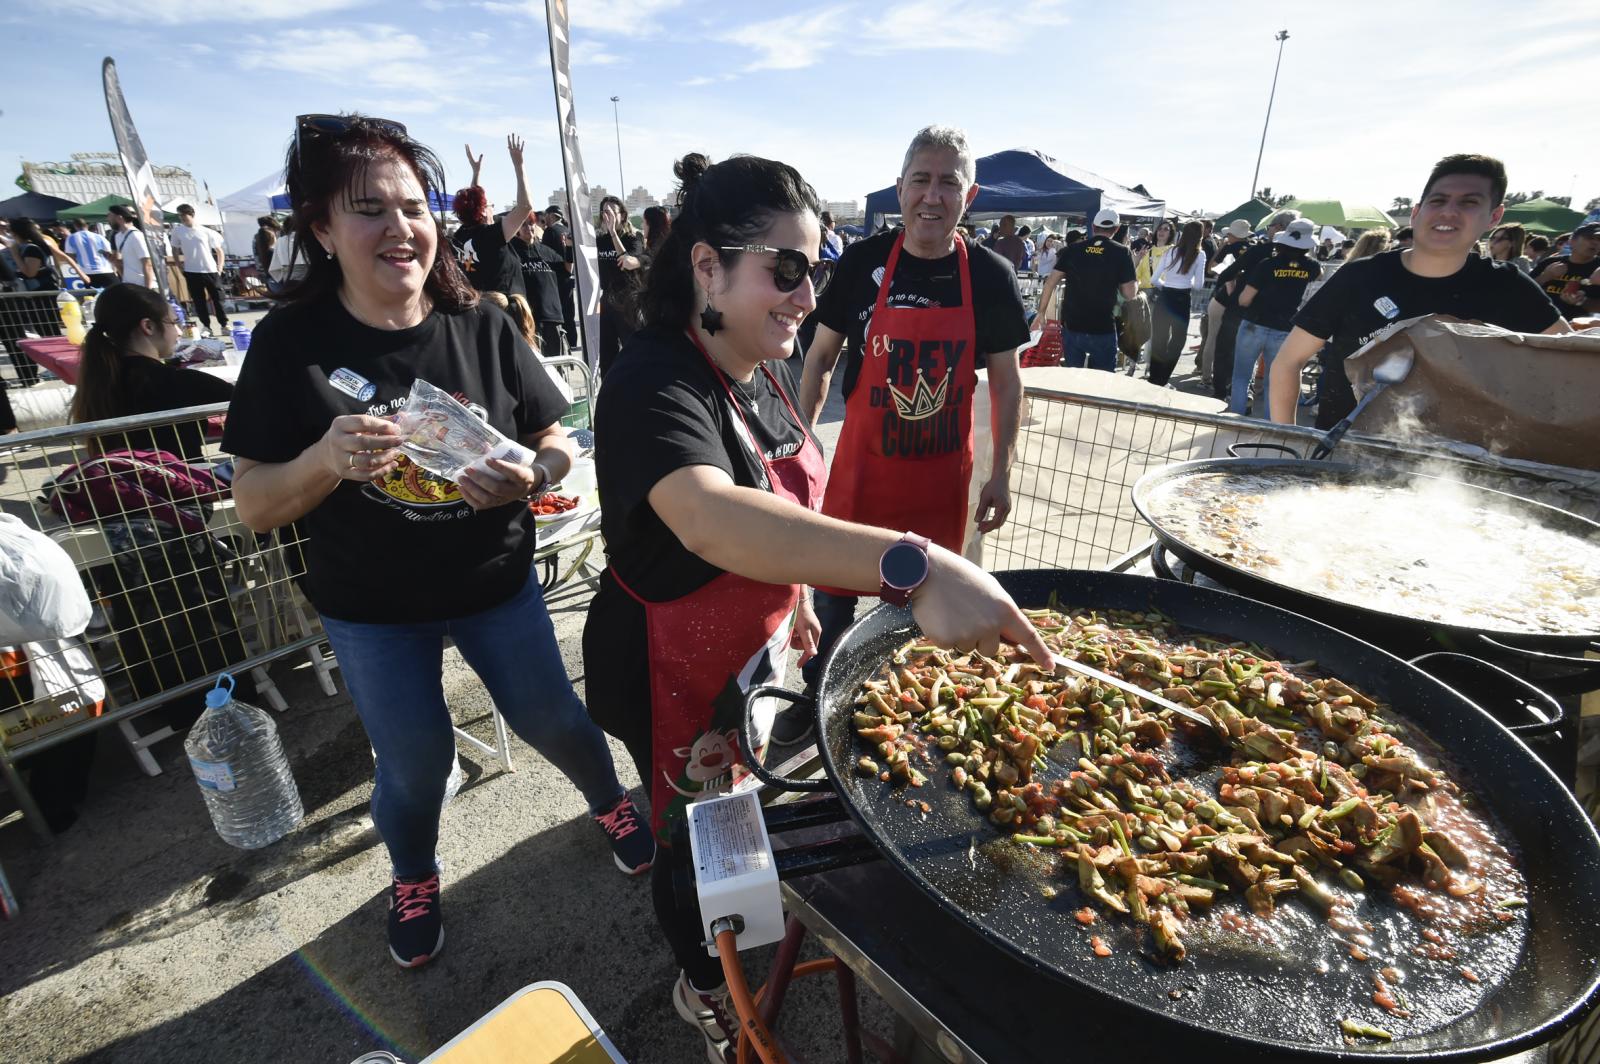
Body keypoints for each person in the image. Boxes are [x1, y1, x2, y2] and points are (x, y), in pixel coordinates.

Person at [581, 150, 1053, 1062]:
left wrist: (795, 595)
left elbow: (780, 503)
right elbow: (714, 516)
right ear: (707, 267)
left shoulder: (753, 361)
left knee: (735, 807)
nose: (808, 294)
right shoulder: (651, 382)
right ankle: (702, 983)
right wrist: (914, 567)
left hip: (747, 651)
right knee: (691, 838)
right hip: (665, 660)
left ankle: (731, 929)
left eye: (818, 266)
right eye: (786, 269)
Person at [222, 114, 652, 971]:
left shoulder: (482, 321)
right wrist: (323, 459)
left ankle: (610, 801)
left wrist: (533, 467)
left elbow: (560, 427)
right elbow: (254, 505)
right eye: (368, 209)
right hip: (370, 609)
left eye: (413, 207)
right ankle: (414, 874)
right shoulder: (290, 345)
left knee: (556, 720)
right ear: (320, 227)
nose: (399, 228)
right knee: (416, 765)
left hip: (493, 582)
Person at [798, 124, 1028, 699]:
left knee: (924, 616)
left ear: (969, 197)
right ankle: (819, 694)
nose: (932, 195)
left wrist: (1000, 474)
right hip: (861, 475)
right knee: (833, 602)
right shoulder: (861, 263)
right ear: (900, 188)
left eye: (948, 183)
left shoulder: (991, 277)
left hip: (939, 484)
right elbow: (821, 357)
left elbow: (1006, 381)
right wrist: (800, 448)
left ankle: (905, 707)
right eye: (920, 180)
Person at [1268, 153, 1569, 428]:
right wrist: (1286, 443)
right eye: (1438, 201)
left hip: (1456, 472)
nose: (1449, 212)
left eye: (1469, 202)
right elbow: (1288, 361)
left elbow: (1572, 364)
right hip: (1341, 451)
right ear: (1416, 213)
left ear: (1494, 217)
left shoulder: (1509, 286)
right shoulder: (1360, 276)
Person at [70, 282, 233, 460]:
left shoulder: (98, 382)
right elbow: (252, 400)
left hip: (122, 483)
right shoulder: (180, 381)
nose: (178, 332)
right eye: (173, 322)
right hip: (184, 482)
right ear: (148, 326)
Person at [1229, 219, 1320, 416]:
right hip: (1284, 328)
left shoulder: (1267, 265)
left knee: (1241, 377)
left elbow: (1245, 299)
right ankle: (1270, 427)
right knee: (1275, 381)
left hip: (1255, 323)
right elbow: (1315, 291)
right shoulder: (1313, 267)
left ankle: (1235, 421)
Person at [1036, 207, 1137, 371]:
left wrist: (1041, 312)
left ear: (1093, 227)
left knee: (1073, 380)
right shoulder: (1122, 252)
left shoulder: (1073, 249)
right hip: (1102, 327)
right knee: (1101, 383)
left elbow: (1050, 283)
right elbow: (1129, 293)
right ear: (1116, 229)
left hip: (1073, 326)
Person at [1211, 210, 1299, 399]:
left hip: (1244, 310)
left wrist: (1233, 285)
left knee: (1230, 355)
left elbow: (1227, 273)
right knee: (1266, 372)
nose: (1268, 230)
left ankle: (1224, 395)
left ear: (1280, 228)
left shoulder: (1262, 251)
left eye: (1271, 226)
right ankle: (1247, 401)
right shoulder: (1305, 262)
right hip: (1281, 319)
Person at [449, 136, 533, 298]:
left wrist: (476, 173)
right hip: (503, 310)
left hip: (480, 307)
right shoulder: (491, 235)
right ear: (481, 212)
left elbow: (472, 204)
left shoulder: (461, 235)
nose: (492, 208)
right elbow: (525, 207)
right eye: (490, 205)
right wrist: (519, 165)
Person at [1146, 220, 1206, 386]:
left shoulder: (1171, 252)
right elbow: (1200, 285)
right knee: (1177, 341)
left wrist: (1168, 285)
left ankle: (1154, 378)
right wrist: (1186, 283)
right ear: (1200, 236)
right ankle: (1163, 378)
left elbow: (1154, 279)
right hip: (1182, 298)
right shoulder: (1200, 254)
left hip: (1165, 297)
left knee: (1159, 338)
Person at [595, 194, 645, 375]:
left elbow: (628, 262)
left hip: (627, 300)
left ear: (622, 215)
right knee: (607, 352)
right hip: (607, 298)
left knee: (632, 348)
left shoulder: (633, 238)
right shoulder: (599, 241)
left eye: (610, 212)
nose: (606, 216)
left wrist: (614, 234)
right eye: (603, 213)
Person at [510, 213, 570, 357]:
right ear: (516, 228)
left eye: (530, 223)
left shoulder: (546, 251)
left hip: (552, 317)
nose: (528, 228)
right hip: (526, 318)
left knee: (556, 369)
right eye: (523, 224)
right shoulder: (511, 252)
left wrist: (569, 248)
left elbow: (567, 269)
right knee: (533, 368)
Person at [170, 205, 230, 334]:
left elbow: (219, 250)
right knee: (199, 301)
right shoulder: (177, 231)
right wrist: (179, 265)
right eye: (180, 215)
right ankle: (206, 326)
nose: (182, 218)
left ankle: (224, 324)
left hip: (210, 269)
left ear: (191, 215)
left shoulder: (206, 231)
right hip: (191, 270)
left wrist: (219, 267)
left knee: (218, 299)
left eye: (184, 215)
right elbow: (175, 249)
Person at [1532, 221, 1599, 320]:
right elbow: (1522, 289)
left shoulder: (1598, 269)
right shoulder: (1550, 262)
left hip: (1575, 327)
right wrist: (1545, 276)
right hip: (1536, 319)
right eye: (1590, 238)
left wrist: (1581, 301)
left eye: (1599, 239)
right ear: (1572, 241)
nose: (1595, 242)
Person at [6, 217, 89, 291]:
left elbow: (30, 273)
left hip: (41, 289)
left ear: (15, 233)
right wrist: (81, 274)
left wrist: (15, 254)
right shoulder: (37, 243)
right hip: (43, 287)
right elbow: (66, 257)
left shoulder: (32, 248)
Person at [540, 206, 577, 346]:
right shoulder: (567, 231)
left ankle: (562, 342)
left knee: (558, 314)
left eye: (546, 216)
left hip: (555, 278)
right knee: (569, 312)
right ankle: (572, 341)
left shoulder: (550, 232)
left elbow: (544, 255)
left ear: (551, 216)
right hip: (569, 277)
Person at [107, 205, 155, 288]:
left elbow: (147, 263)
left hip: (144, 285)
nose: (108, 220)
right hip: (130, 284)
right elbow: (129, 262)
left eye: (110, 217)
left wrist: (148, 289)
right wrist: (114, 261)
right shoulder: (118, 237)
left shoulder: (136, 236)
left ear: (119, 218)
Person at [65, 219, 117, 288]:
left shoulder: (71, 238)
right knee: (116, 293)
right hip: (105, 270)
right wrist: (115, 270)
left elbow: (71, 256)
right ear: (87, 225)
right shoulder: (99, 237)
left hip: (87, 272)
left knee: (93, 296)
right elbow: (108, 253)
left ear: (75, 226)